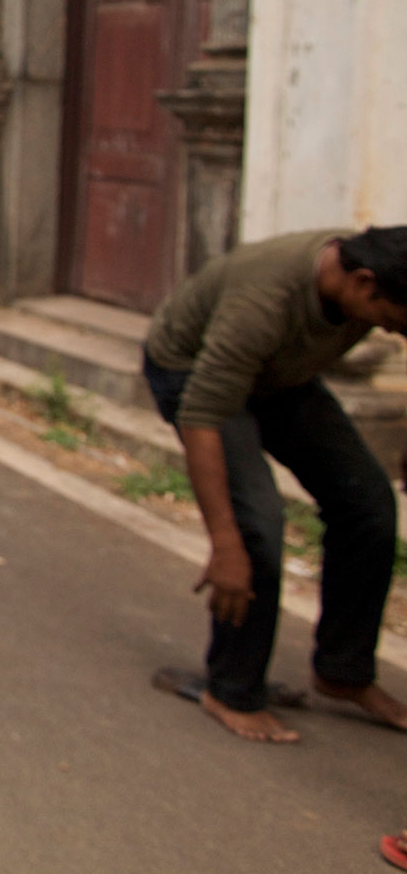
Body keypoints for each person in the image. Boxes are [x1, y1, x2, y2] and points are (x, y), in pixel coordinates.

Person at [142, 225, 407, 744]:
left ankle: (343, 671)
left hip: (280, 376)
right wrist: (224, 544)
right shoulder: (264, 301)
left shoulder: (374, 284)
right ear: (363, 283)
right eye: (395, 321)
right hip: (191, 372)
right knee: (257, 526)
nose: (396, 333)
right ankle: (231, 688)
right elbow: (203, 412)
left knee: (369, 504)